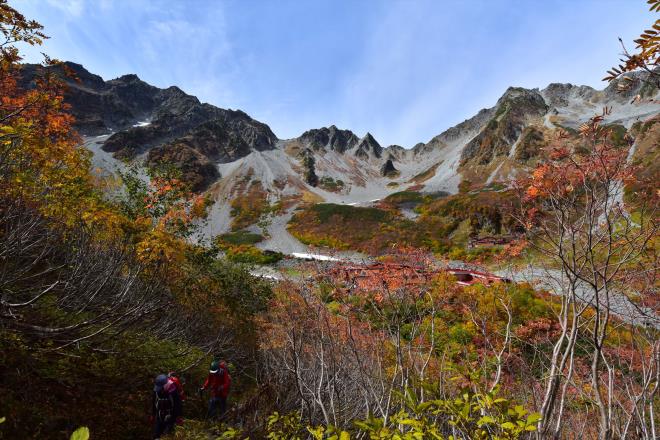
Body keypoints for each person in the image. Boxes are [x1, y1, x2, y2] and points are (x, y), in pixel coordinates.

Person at [152, 373, 182, 439]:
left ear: (166, 385)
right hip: (159, 416)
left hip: (170, 416)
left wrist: (178, 416)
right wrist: (153, 415)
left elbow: (177, 404)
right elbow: (153, 402)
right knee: (156, 435)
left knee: (166, 435)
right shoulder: (156, 391)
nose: (159, 389)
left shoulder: (173, 391)